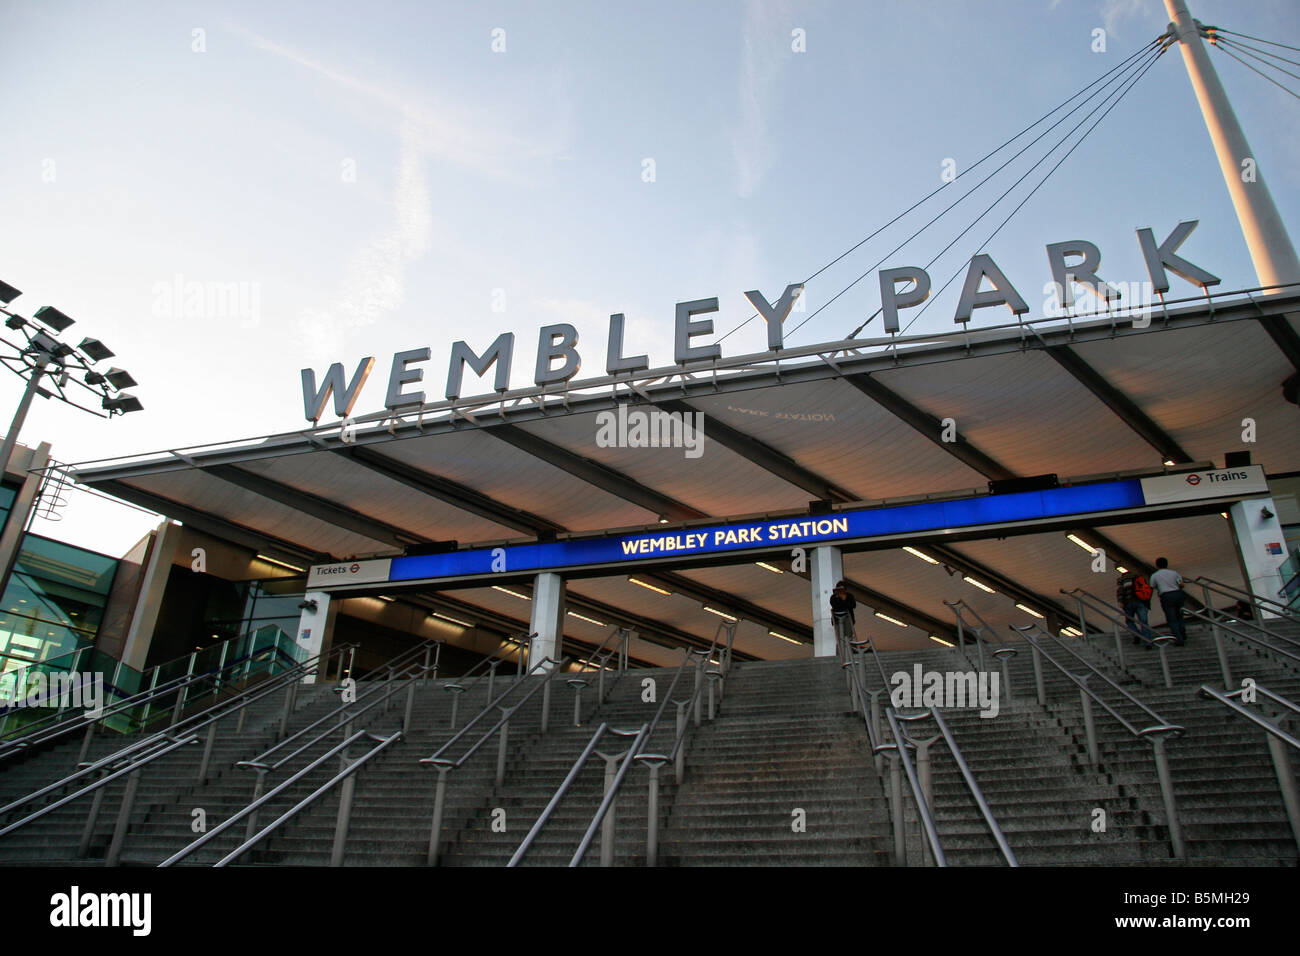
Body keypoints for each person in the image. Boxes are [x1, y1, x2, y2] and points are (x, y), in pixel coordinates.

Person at [1150, 557, 1188, 646]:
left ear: (1157, 565)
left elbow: (1152, 586)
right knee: (1180, 614)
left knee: (1171, 618)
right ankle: (1182, 631)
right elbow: (1181, 584)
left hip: (1166, 596)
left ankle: (1178, 638)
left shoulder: (1155, 575)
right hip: (1178, 594)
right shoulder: (1174, 573)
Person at [1115, 568, 1154, 648]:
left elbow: (1120, 592)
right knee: (1144, 622)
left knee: (1129, 621)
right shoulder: (1139, 578)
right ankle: (1148, 641)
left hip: (1128, 603)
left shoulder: (1123, 580)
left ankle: (1137, 634)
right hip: (1141, 602)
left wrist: (1120, 601)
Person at [830, 580, 857, 645]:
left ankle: (849, 648)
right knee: (839, 636)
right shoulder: (834, 597)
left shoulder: (849, 596)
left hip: (848, 617)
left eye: (841, 589)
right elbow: (835, 605)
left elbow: (853, 605)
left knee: (848, 635)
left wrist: (844, 599)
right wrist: (840, 599)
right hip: (837, 619)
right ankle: (840, 649)